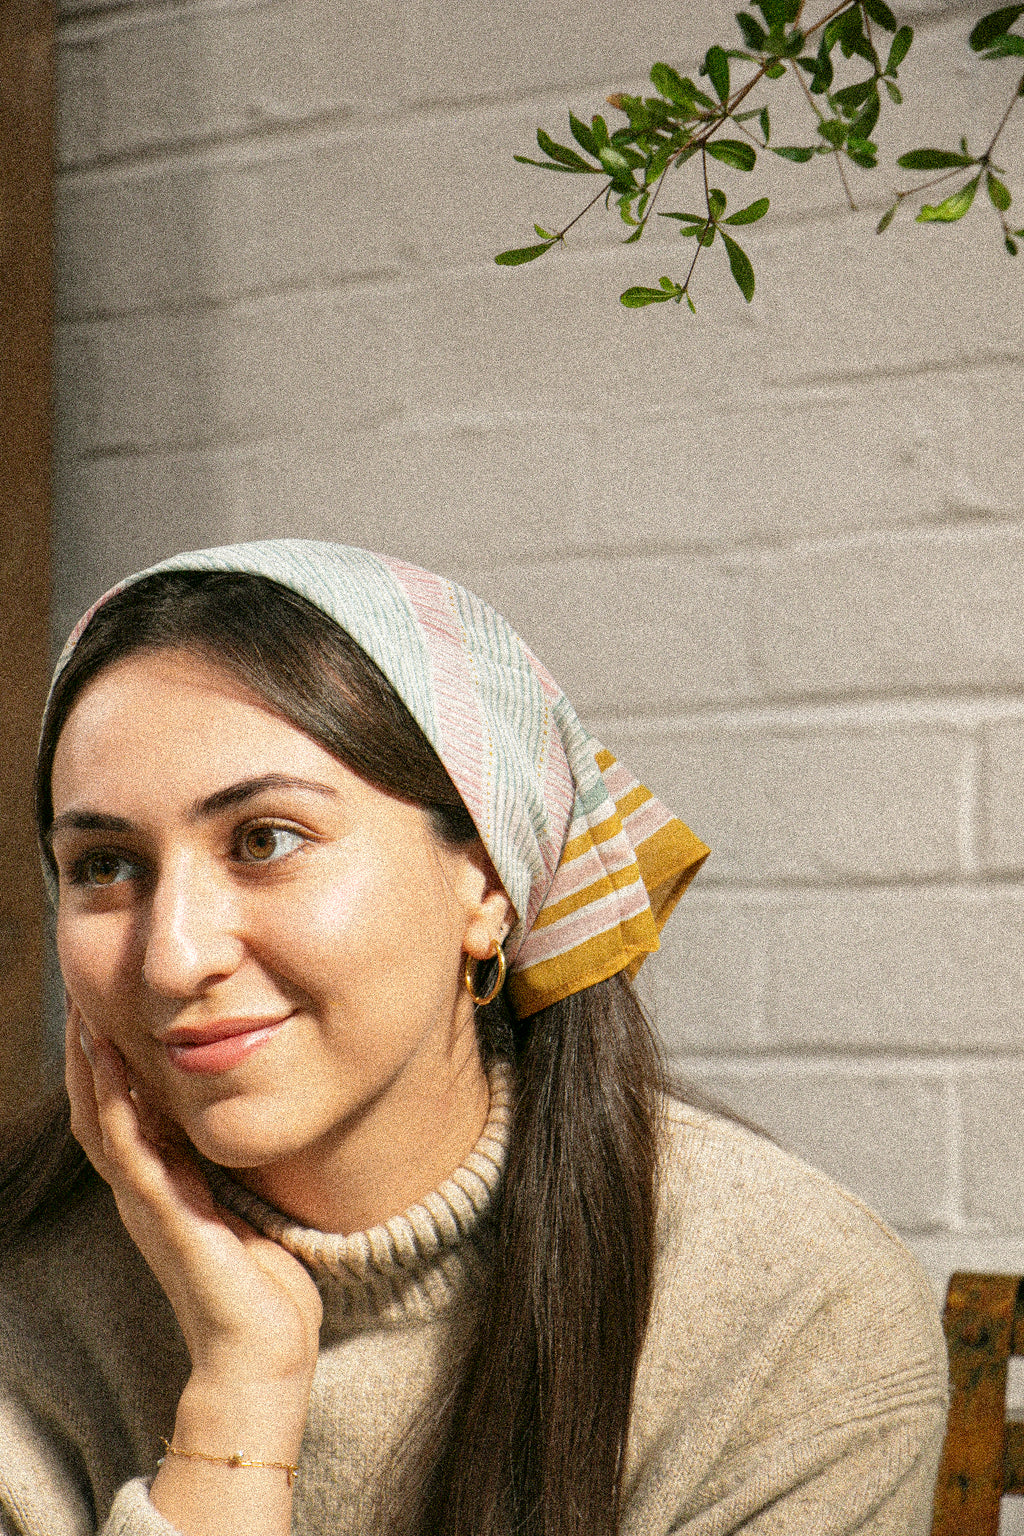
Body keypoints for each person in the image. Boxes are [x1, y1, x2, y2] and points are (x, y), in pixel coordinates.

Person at [0, 539, 947, 1536]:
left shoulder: (793, 1309)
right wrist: (240, 1394)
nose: (171, 957)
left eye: (266, 840)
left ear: (488, 880)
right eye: (104, 864)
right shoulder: (27, 1300)